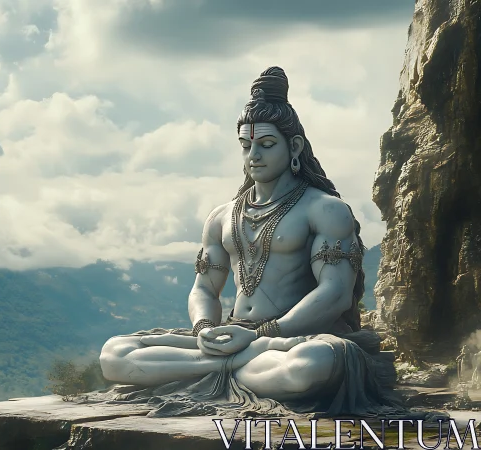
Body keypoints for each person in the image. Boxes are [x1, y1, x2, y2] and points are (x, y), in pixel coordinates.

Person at [91, 67, 414, 418]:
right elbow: (203, 288)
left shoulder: (324, 209)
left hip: (292, 340)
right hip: (237, 339)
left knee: (314, 364)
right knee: (115, 353)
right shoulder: (221, 216)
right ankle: (226, 367)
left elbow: (334, 293)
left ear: (294, 146)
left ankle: (203, 370)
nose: (253, 156)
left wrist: (265, 333)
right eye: (246, 146)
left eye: (266, 144)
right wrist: (205, 331)